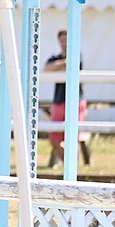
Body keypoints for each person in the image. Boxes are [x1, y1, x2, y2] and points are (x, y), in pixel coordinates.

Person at [44, 29, 86, 167]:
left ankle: (73, 165)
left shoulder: (77, 55)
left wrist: (59, 66)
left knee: (73, 136)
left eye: (66, 40)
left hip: (75, 100)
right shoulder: (55, 57)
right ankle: (69, 164)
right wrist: (64, 63)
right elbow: (47, 68)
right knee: (54, 138)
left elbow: (73, 65)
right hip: (58, 100)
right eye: (62, 40)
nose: (64, 43)